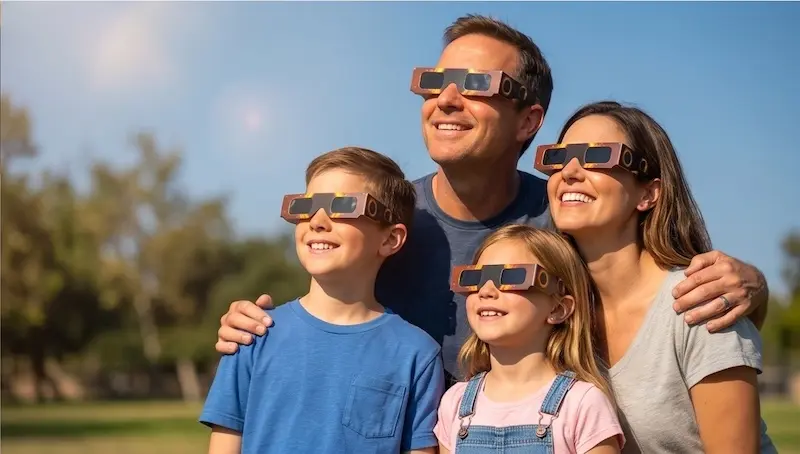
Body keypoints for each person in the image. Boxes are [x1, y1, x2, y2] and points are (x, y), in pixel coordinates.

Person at [212, 15, 770, 386]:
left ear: (529, 120)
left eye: (476, 85)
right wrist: (257, 326)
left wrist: (753, 288)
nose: (447, 100)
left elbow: (672, 306)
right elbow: (329, 310)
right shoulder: (381, 217)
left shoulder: (569, 218)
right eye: (436, 82)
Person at [537, 100, 775, 453]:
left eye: (598, 157)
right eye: (558, 158)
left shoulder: (700, 302)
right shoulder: (553, 311)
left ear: (648, 193)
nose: (569, 171)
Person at [199, 147, 445, 454]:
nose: (317, 220)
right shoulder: (253, 335)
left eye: (342, 205)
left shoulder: (416, 354)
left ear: (390, 239)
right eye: (306, 206)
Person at [435, 225, 624, 454]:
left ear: (558, 308)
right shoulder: (455, 403)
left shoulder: (582, 404)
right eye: (475, 278)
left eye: (512, 276)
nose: (486, 291)